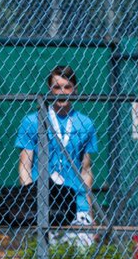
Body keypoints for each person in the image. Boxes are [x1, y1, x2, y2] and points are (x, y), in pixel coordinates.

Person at [16, 65, 98, 229]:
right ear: (49, 89)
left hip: (77, 203)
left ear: (74, 89)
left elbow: (86, 170)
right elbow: (25, 165)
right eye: (57, 87)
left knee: (82, 253)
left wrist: (89, 211)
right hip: (43, 202)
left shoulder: (86, 124)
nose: (62, 92)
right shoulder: (33, 121)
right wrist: (29, 201)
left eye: (67, 87)